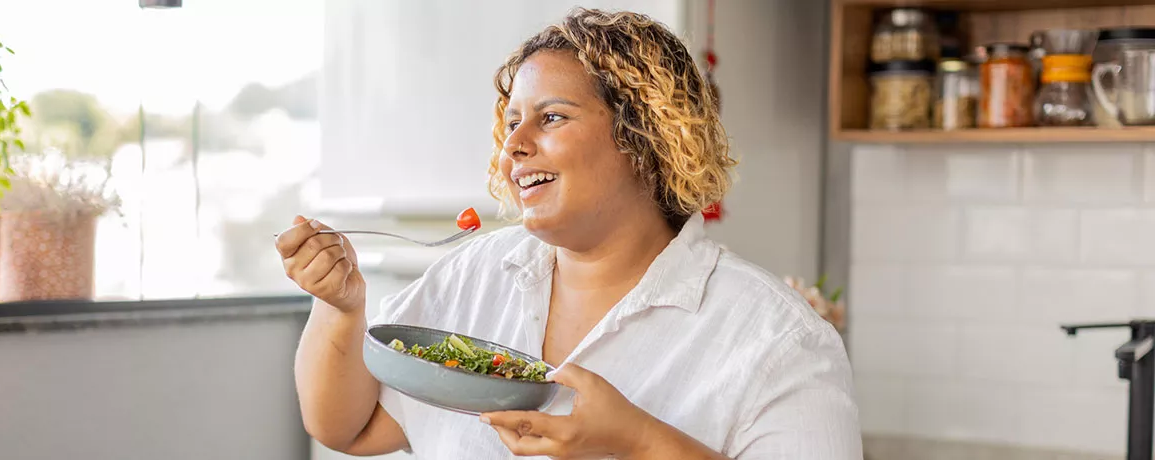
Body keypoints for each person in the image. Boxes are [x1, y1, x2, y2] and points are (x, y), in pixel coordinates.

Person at [277, 8, 861, 460]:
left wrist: (638, 441)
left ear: (645, 139)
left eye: (551, 117)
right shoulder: (471, 278)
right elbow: (350, 428)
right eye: (512, 122)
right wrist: (341, 307)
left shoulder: (779, 340)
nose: (514, 145)